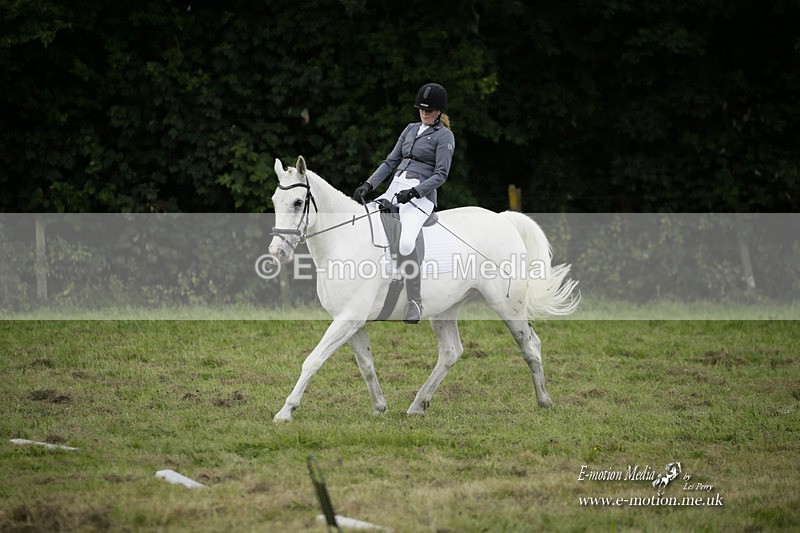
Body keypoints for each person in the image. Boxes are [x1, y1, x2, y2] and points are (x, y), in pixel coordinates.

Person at [352, 82, 455, 324]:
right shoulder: (410, 129)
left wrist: (415, 192)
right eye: (421, 109)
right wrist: (369, 184)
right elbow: (390, 162)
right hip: (394, 188)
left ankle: (415, 302)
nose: (424, 113)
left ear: (439, 111)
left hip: (421, 197)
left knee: (407, 241)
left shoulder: (444, 136)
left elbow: (441, 174)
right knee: (364, 221)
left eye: (429, 111)